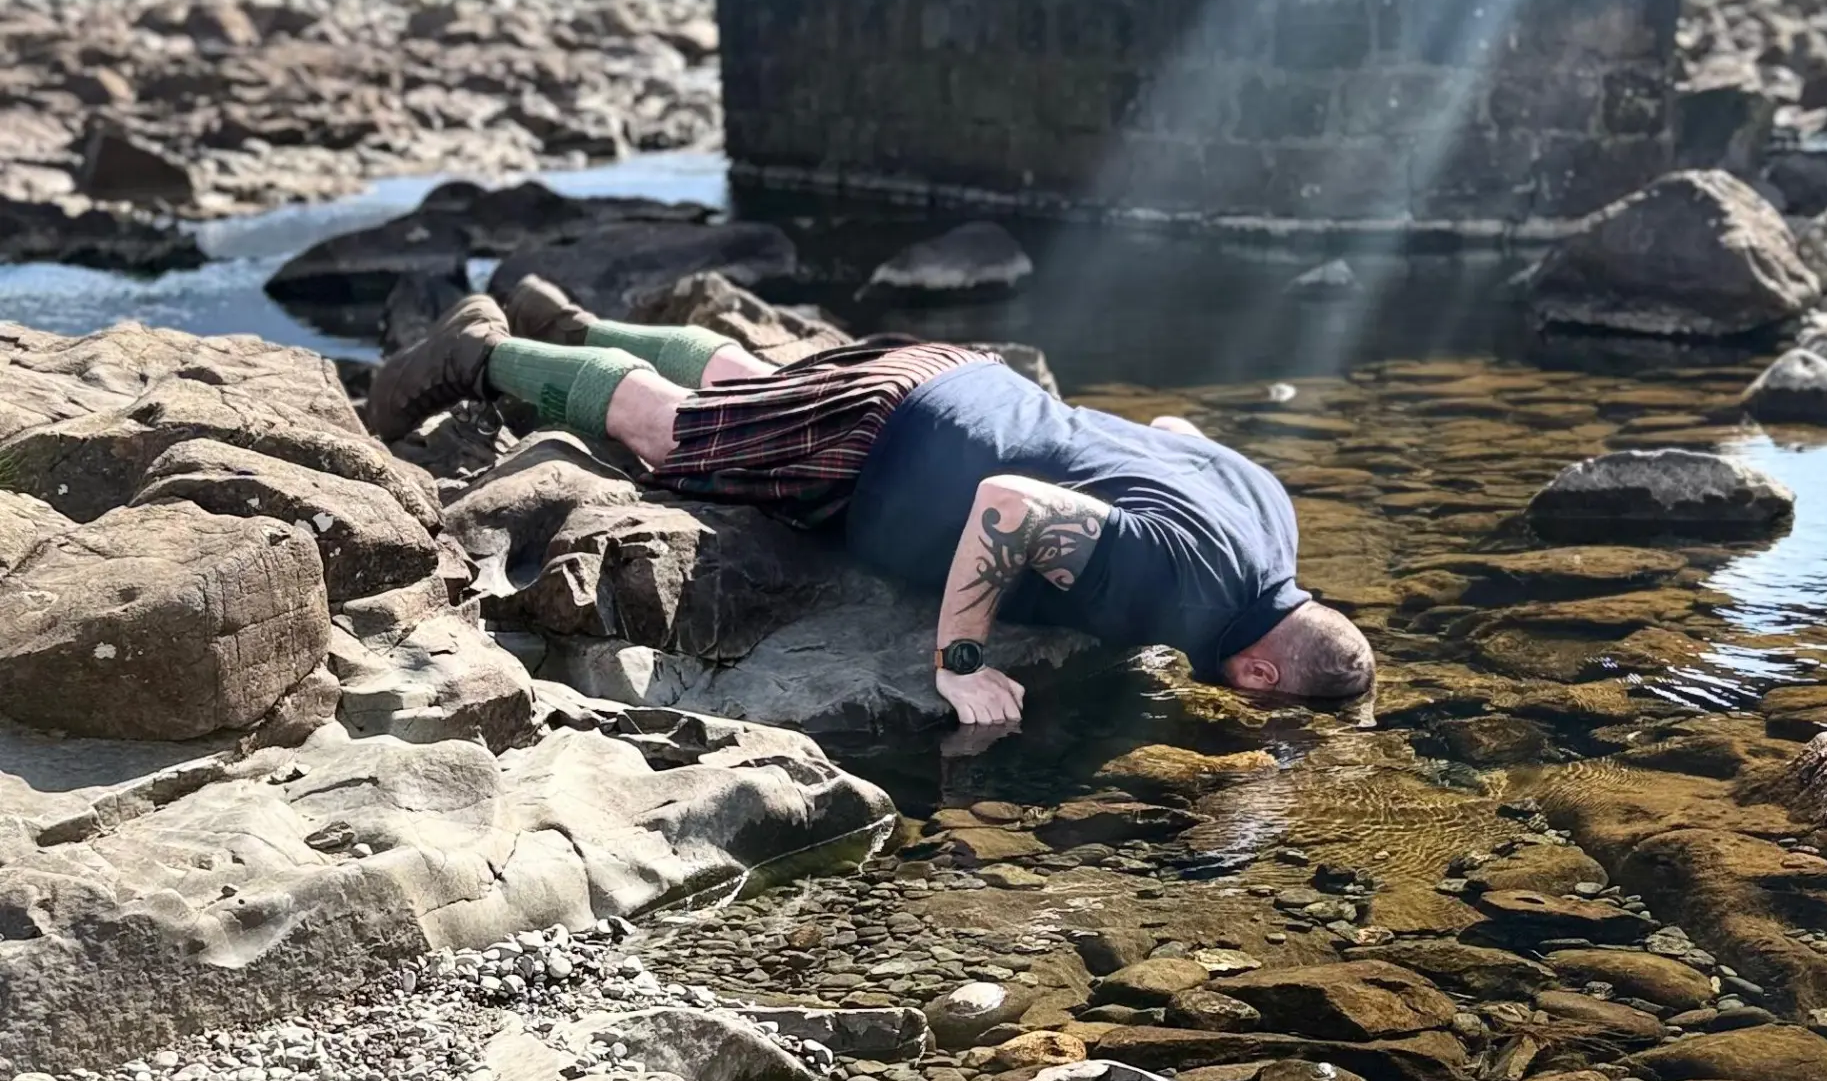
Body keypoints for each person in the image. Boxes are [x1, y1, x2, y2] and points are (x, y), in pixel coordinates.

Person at [367, 278, 1375, 726]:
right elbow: (1011, 509)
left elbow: (1175, 440)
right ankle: (479, 352)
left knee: (754, 382)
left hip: (972, 384)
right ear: (1257, 673)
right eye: (1266, 704)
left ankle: (573, 321)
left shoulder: (1271, 513)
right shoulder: (1188, 589)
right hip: (901, 449)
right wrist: (962, 660)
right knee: (670, 433)